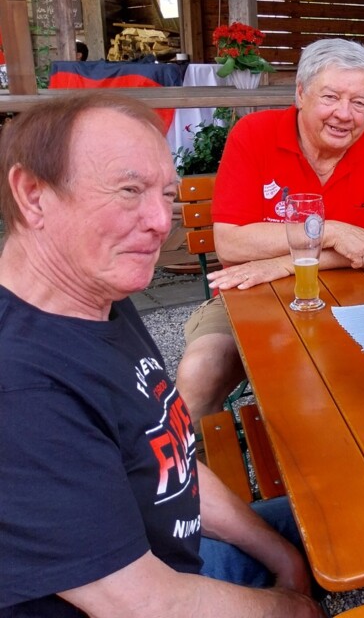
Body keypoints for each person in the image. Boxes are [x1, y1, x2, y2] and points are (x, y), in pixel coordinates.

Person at [0, 94, 322, 616]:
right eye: (129, 190)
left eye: (165, 195)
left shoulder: (99, 294)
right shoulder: (21, 388)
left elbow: (175, 464)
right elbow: (145, 604)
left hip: (181, 561)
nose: (158, 221)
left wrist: (282, 554)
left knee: (357, 513)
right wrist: (292, 608)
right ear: (33, 194)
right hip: (157, 594)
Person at [175, 38, 364, 420]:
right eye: (330, 97)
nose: (344, 114)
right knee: (200, 371)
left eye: (359, 103)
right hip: (254, 297)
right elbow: (230, 243)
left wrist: (282, 264)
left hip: (357, 298)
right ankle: (189, 472)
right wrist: (328, 231)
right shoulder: (254, 134)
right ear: (300, 93)